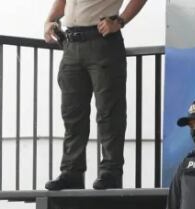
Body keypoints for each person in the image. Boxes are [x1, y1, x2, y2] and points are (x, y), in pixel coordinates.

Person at [42, 0, 147, 191]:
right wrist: (50, 20)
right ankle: (71, 172)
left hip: (101, 40)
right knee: (72, 115)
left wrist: (120, 21)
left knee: (109, 113)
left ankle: (110, 172)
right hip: (71, 43)